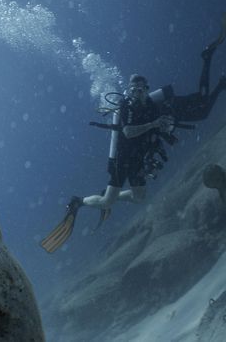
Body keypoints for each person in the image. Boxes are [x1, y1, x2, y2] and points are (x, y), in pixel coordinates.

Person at [41, 17, 226, 253]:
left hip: (140, 156)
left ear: (147, 89)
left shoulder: (151, 104)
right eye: (133, 89)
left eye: (141, 88)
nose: (137, 92)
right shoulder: (126, 107)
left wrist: (166, 124)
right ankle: (79, 201)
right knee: (109, 201)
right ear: (129, 91)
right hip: (123, 159)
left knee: (202, 109)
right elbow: (127, 132)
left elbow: (161, 124)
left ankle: (210, 67)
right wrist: (155, 123)